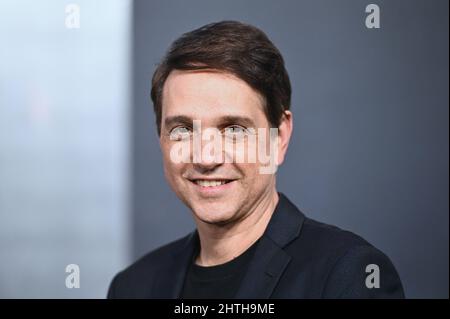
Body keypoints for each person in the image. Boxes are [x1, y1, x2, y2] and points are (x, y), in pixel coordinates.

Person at [107, 21, 404, 299]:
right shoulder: (133, 286)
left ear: (279, 137)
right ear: (160, 136)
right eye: (183, 129)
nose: (206, 157)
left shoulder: (348, 276)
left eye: (233, 129)